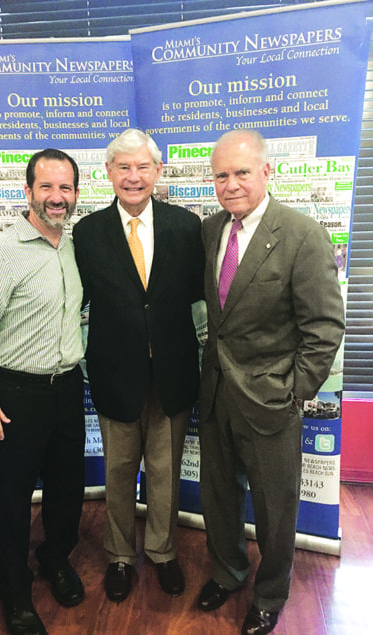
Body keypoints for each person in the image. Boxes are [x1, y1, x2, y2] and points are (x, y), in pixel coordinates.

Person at [197, 129, 345, 635]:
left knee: (275, 510)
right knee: (218, 497)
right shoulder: (211, 230)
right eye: (221, 175)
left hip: (272, 401)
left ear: (266, 172)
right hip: (216, 395)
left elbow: (324, 328)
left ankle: (270, 593)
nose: (231, 184)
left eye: (241, 172)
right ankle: (228, 571)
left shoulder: (302, 234)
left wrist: (293, 390)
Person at [0, 149, 86, 635]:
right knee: (9, 500)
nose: (57, 197)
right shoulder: (1, 253)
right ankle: (14, 587)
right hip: (13, 396)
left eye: (65, 188)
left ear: (75, 194)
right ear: (27, 191)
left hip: (67, 390)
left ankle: (55, 559)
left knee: (68, 489)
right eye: (46, 187)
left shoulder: (71, 246)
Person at [72, 129, 204, 602]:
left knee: (166, 472)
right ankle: (120, 557)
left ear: (158, 172)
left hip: (172, 375)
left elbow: (200, 298)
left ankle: (163, 553)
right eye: (123, 167)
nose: (133, 177)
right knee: (119, 470)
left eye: (142, 167)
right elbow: (74, 300)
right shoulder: (86, 233)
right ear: (108, 173)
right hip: (114, 375)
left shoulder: (186, 227)